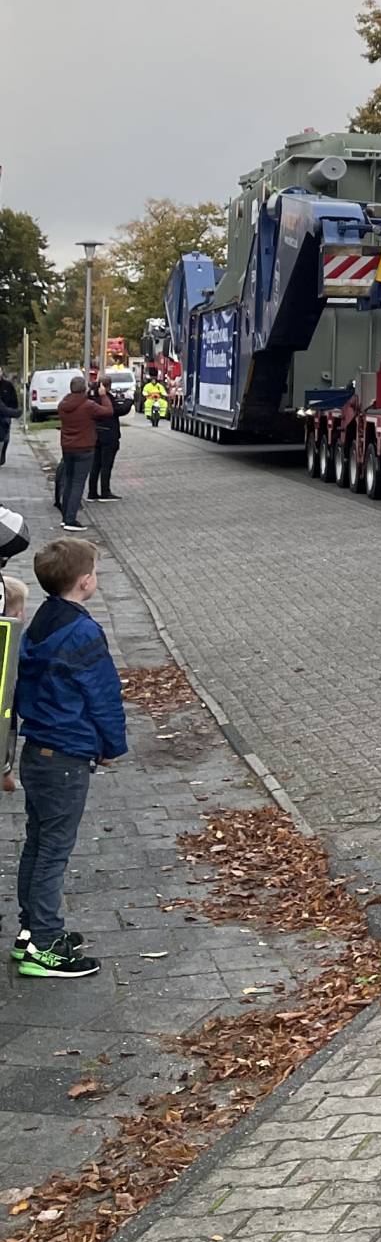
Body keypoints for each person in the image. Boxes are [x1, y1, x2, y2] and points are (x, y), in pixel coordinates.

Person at [10, 535, 124, 980]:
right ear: (85, 581)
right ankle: (46, 944)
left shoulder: (41, 621)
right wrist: (112, 745)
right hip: (66, 754)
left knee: (38, 845)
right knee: (54, 851)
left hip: (37, 752)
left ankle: (31, 931)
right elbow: (102, 694)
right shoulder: (82, 630)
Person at [52, 377, 106, 529]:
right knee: (78, 484)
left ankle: (65, 516)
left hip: (67, 447)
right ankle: (71, 520)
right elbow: (107, 411)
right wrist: (103, 395)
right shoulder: (88, 405)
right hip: (85, 448)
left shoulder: (63, 405)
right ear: (85, 389)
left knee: (68, 481)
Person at [87, 371, 124, 501]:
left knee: (95, 465)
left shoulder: (91, 397)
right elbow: (116, 410)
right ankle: (105, 491)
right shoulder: (107, 398)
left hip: (95, 435)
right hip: (109, 435)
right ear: (108, 386)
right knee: (106, 465)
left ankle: (92, 492)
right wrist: (129, 401)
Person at [0, 369, 18, 464]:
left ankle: (2, 453)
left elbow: (13, 399)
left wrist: (13, 410)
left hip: (6, 414)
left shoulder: (7, 385)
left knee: (5, 437)